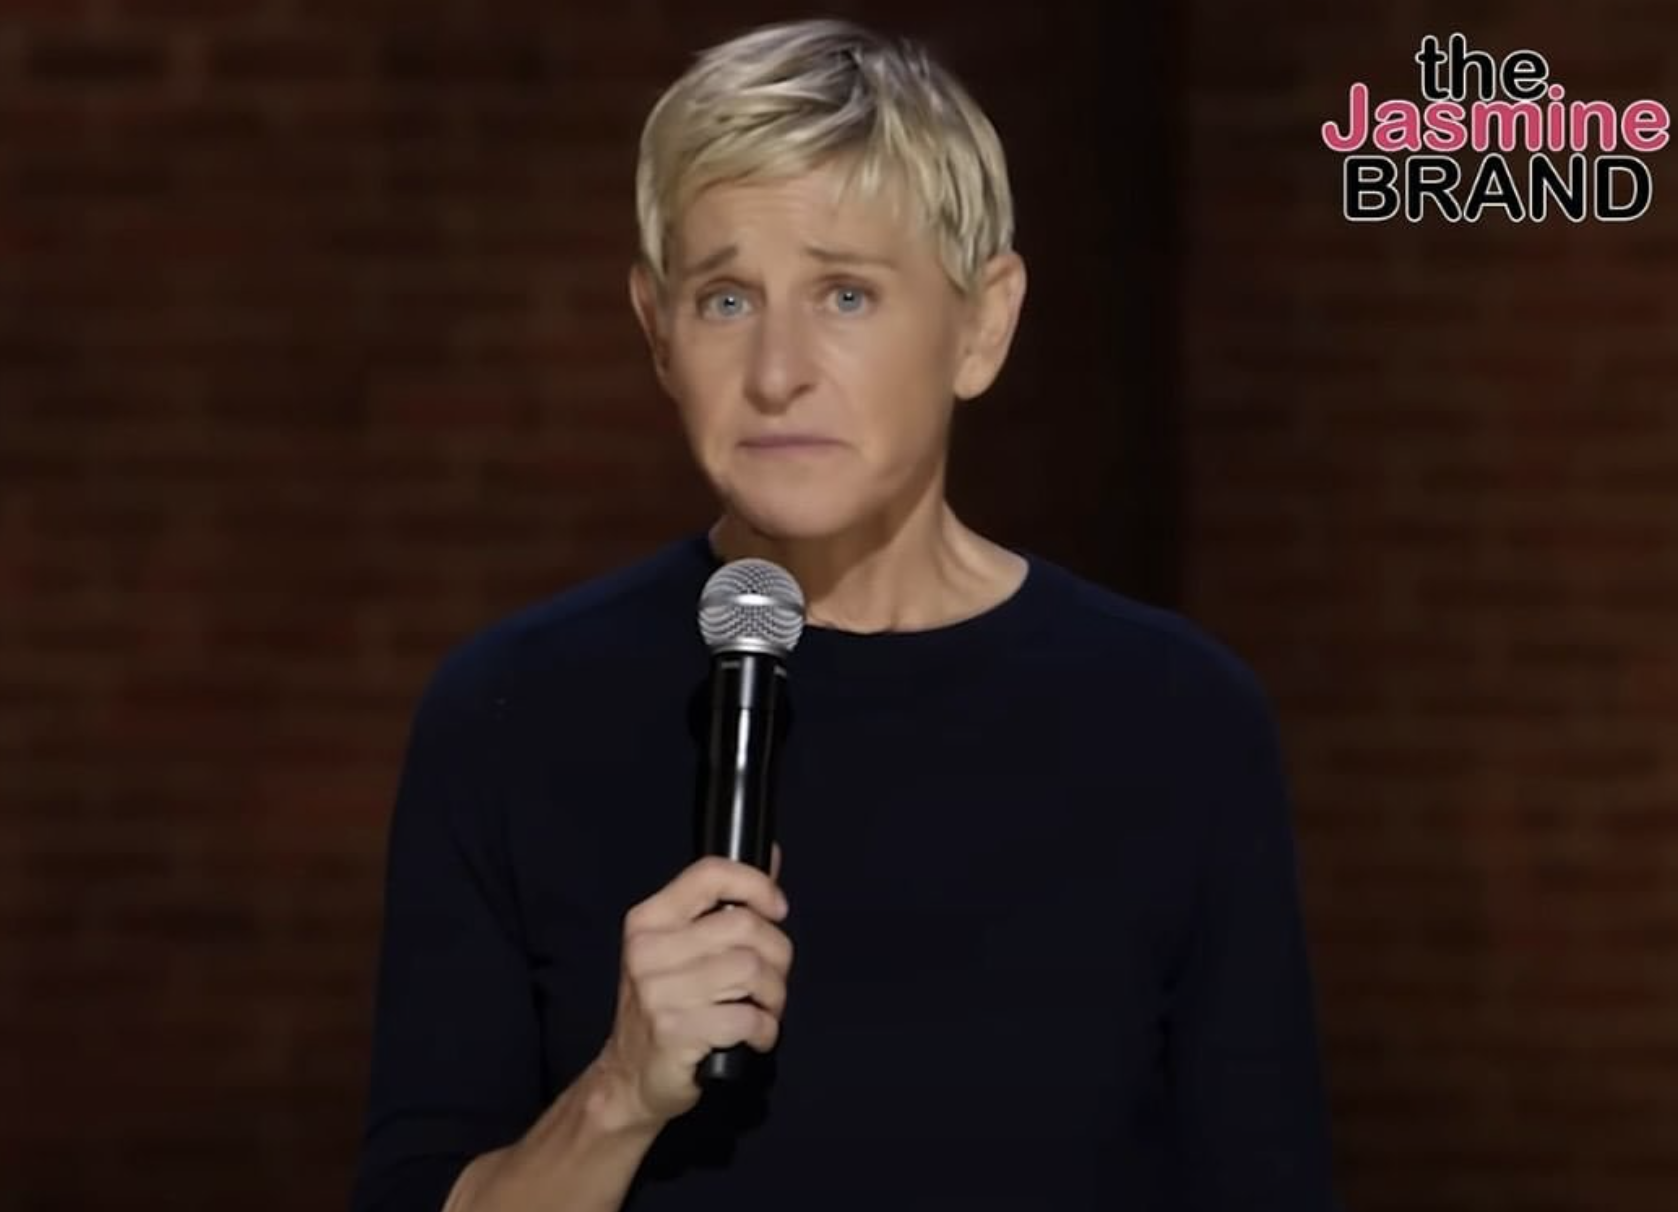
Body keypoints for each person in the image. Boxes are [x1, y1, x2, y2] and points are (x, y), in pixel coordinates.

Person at [348, 16, 1341, 1212]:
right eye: (725, 299)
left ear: (983, 324)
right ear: (656, 330)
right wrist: (618, 1094)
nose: (777, 372)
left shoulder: (1174, 720)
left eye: (847, 295)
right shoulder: (512, 715)